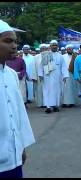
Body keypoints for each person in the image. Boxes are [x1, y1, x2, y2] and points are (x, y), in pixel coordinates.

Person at [0, 19, 35, 178]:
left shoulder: (11, 75)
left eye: (15, 41)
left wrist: (21, 146)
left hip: (13, 157)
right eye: (8, 41)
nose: (14, 46)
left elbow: (19, 114)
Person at [38, 40, 69, 113]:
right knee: (47, 91)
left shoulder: (60, 56)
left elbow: (63, 67)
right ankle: (48, 107)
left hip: (57, 77)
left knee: (57, 91)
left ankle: (56, 106)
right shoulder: (46, 55)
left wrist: (65, 75)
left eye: (56, 45)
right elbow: (41, 66)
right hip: (47, 77)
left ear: (57, 47)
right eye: (53, 45)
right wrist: (40, 75)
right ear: (50, 46)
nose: (54, 46)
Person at [31, 44, 48, 108]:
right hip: (39, 77)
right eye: (42, 48)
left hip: (47, 77)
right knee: (39, 90)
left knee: (47, 90)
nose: (43, 49)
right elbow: (34, 67)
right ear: (40, 49)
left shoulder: (49, 56)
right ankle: (40, 103)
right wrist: (34, 77)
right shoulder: (36, 57)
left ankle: (46, 103)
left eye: (44, 48)